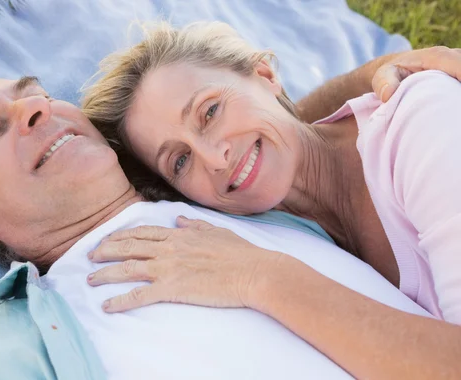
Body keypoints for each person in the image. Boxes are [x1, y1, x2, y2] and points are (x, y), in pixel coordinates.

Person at [0, 64, 459, 379]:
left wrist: (380, 74)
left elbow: (260, 126)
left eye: (35, 95)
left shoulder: (234, 196)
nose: (36, 110)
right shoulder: (1, 358)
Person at [81, 21, 461, 323]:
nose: (215, 159)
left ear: (264, 74)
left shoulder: (423, 123)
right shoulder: (280, 225)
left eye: (210, 111)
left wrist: (260, 277)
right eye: (180, 161)